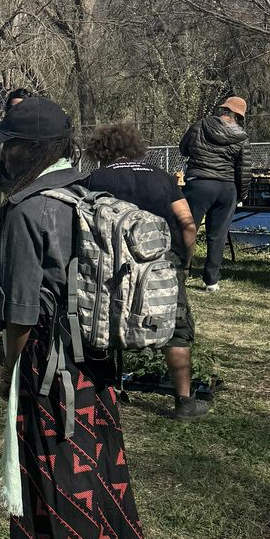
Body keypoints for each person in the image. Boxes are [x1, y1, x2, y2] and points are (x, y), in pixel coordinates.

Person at [0, 96, 146, 539]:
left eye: (8, 146)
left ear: (30, 150)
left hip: (50, 369)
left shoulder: (28, 210)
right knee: (87, 465)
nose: (1, 156)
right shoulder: (87, 191)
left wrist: (10, 372)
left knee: (59, 474)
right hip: (93, 363)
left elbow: (21, 312)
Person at [85, 123, 205, 420]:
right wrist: (183, 263)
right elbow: (188, 225)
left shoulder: (93, 179)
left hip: (112, 267)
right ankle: (184, 401)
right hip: (162, 266)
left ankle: (100, 390)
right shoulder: (162, 178)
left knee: (103, 319)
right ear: (135, 148)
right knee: (176, 327)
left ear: (101, 151)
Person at [179, 96, 251, 290]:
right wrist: (241, 195)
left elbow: (183, 149)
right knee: (217, 235)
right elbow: (243, 170)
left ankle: (181, 274)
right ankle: (212, 281)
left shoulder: (199, 126)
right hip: (226, 188)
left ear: (223, 110)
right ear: (238, 116)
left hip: (199, 184)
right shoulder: (241, 137)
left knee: (188, 230)